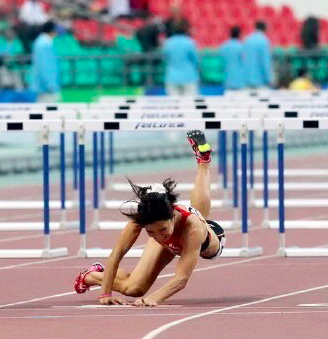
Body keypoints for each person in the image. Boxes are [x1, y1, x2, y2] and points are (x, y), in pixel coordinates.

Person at [74, 130, 225, 306]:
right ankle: (92, 275)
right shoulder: (143, 219)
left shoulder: (192, 228)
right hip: (171, 241)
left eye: (162, 229)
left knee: (200, 217)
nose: (160, 236)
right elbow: (117, 254)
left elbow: (181, 279)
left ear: (172, 215)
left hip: (207, 240)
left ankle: (203, 162)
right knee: (134, 289)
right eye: (151, 233)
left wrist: (152, 299)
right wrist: (104, 294)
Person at [162, 19, 199, 96]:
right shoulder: (190, 42)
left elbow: (165, 59)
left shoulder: (168, 43)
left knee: (174, 106)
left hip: (172, 77)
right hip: (189, 77)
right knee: (190, 105)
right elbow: (195, 60)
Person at [30, 20, 60, 102]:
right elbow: (44, 66)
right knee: (46, 112)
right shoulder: (42, 44)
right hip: (45, 88)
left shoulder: (46, 43)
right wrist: (49, 84)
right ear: (52, 30)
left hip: (47, 86)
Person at [243, 21, 272, 88]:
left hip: (246, 80)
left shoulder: (247, 39)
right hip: (260, 81)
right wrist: (269, 79)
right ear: (265, 28)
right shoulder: (264, 41)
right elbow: (265, 62)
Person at [220, 26, 245, 92]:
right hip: (240, 80)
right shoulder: (241, 47)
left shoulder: (224, 47)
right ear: (239, 34)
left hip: (227, 79)